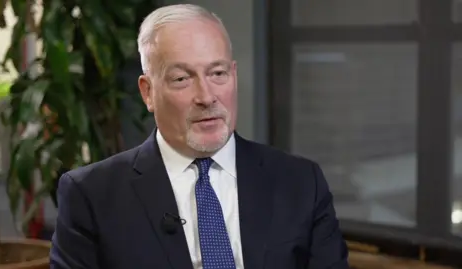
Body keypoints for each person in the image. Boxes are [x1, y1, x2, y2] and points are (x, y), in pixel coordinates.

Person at [49, 4, 349, 269]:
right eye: (182, 79)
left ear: (233, 75)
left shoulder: (300, 182)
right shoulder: (90, 195)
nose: (207, 96)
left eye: (217, 74)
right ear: (148, 92)